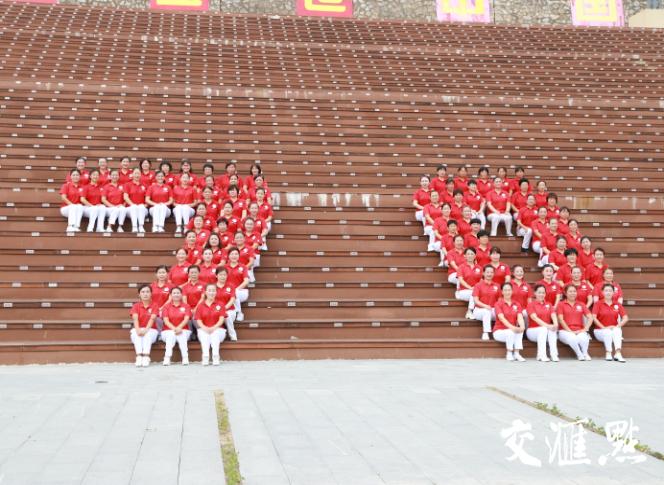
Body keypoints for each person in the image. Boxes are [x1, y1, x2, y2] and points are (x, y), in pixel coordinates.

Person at [592, 284, 628, 362]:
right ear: (602, 292)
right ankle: (608, 352)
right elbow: (594, 318)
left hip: (613, 330)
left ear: (613, 293)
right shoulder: (598, 304)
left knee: (618, 330)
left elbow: (625, 318)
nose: (608, 293)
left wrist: (617, 326)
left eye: (610, 291)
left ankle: (618, 353)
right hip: (599, 331)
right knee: (607, 331)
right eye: (606, 291)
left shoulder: (617, 304)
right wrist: (603, 327)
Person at [556, 285, 593, 361]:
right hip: (564, 331)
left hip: (579, 329)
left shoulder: (581, 304)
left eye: (574, 291)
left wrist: (585, 329)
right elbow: (560, 319)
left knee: (584, 337)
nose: (572, 293)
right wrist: (570, 331)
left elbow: (590, 317)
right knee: (572, 338)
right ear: (565, 293)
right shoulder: (561, 304)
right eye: (570, 291)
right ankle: (579, 354)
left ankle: (585, 353)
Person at [194, 284, 227, 365]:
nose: (211, 293)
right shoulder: (200, 306)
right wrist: (205, 328)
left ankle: (215, 356)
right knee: (204, 334)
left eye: (213, 291)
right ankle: (205, 356)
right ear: (205, 292)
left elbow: (221, 319)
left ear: (216, 292)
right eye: (209, 290)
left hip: (218, 329)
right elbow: (198, 320)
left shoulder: (220, 304)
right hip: (204, 328)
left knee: (214, 333)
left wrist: (213, 327)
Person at [526, 284, 559, 362]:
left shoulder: (549, 304)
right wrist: (548, 326)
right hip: (532, 331)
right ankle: (542, 355)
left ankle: (554, 355)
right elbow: (534, 317)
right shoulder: (531, 304)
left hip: (545, 330)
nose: (541, 294)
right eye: (539, 292)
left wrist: (555, 324)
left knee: (552, 329)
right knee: (544, 329)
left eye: (543, 293)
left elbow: (553, 315)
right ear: (535, 293)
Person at [493, 283, 526, 362]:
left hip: (511, 330)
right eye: (505, 290)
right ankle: (509, 353)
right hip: (499, 331)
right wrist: (513, 328)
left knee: (520, 330)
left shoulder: (517, 304)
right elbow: (502, 318)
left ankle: (517, 353)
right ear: (502, 292)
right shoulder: (498, 304)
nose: (507, 292)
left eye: (509, 290)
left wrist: (522, 326)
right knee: (511, 332)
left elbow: (520, 316)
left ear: (512, 291)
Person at [160, 287, 192, 366]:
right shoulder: (166, 307)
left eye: (178, 293)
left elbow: (186, 319)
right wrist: (175, 329)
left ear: (181, 295)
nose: (176, 295)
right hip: (167, 331)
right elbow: (166, 321)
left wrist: (179, 328)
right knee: (171, 334)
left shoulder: (186, 306)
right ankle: (167, 357)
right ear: (170, 295)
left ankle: (185, 357)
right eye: (174, 293)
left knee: (181, 334)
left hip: (184, 330)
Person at [130, 285, 159, 367]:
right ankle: (139, 356)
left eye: (147, 292)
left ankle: (146, 356)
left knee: (147, 334)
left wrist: (146, 330)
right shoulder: (136, 306)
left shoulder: (155, 305)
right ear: (139, 294)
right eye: (143, 292)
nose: (145, 294)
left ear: (151, 294)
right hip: (139, 328)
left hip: (151, 330)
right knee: (136, 334)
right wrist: (138, 330)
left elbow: (152, 319)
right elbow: (135, 319)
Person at [472, 265, 501, 341]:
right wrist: (485, 306)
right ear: (483, 273)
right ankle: (486, 333)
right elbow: (476, 301)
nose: (489, 274)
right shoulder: (478, 285)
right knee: (486, 311)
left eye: (491, 272)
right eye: (487, 272)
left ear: (494, 274)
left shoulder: (497, 286)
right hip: (479, 310)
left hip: (493, 309)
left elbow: (500, 300)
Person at [455, 248, 481, 319]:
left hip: (475, 291)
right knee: (473, 293)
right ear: (465, 256)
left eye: (472, 254)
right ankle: (469, 311)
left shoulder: (479, 267)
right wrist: (470, 287)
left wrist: (476, 288)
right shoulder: (461, 267)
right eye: (468, 254)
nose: (470, 256)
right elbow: (461, 280)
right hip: (463, 291)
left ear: (475, 256)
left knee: (475, 292)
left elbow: (481, 281)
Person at [226, 247, 250, 322]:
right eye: (232, 254)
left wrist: (236, 289)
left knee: (234, 293)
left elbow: (246, 281)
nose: (234, 256)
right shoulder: (224, 267)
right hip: (228, 292)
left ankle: (239, 313)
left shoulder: (243, 267)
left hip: (241, 291)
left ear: (239, 255)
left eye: (236, 254)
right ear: (228, 256)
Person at [215, 268, 238, 341]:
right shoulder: (212, 287)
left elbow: (232, 299)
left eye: (224, 275)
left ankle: (232, 335)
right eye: (220, 275)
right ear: (216, 276)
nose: (222, 276)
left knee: (227, 315)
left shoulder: (231, 286)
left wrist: (224, 309)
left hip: (229, 310)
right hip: (215, 309)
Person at [123, 168, 148, 233]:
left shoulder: (145, 185)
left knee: (141, 207)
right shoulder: (127, 184)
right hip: (130, 208)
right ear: (132, 175)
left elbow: (148, 198)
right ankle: (134, 227)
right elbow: (125, 197)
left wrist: (146, 205)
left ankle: (141, 226)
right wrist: (133, 204)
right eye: (135, 173)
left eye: (138, 173)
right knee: (134, 207)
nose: (137, 175)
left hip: (142, 209)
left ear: (141, 175)